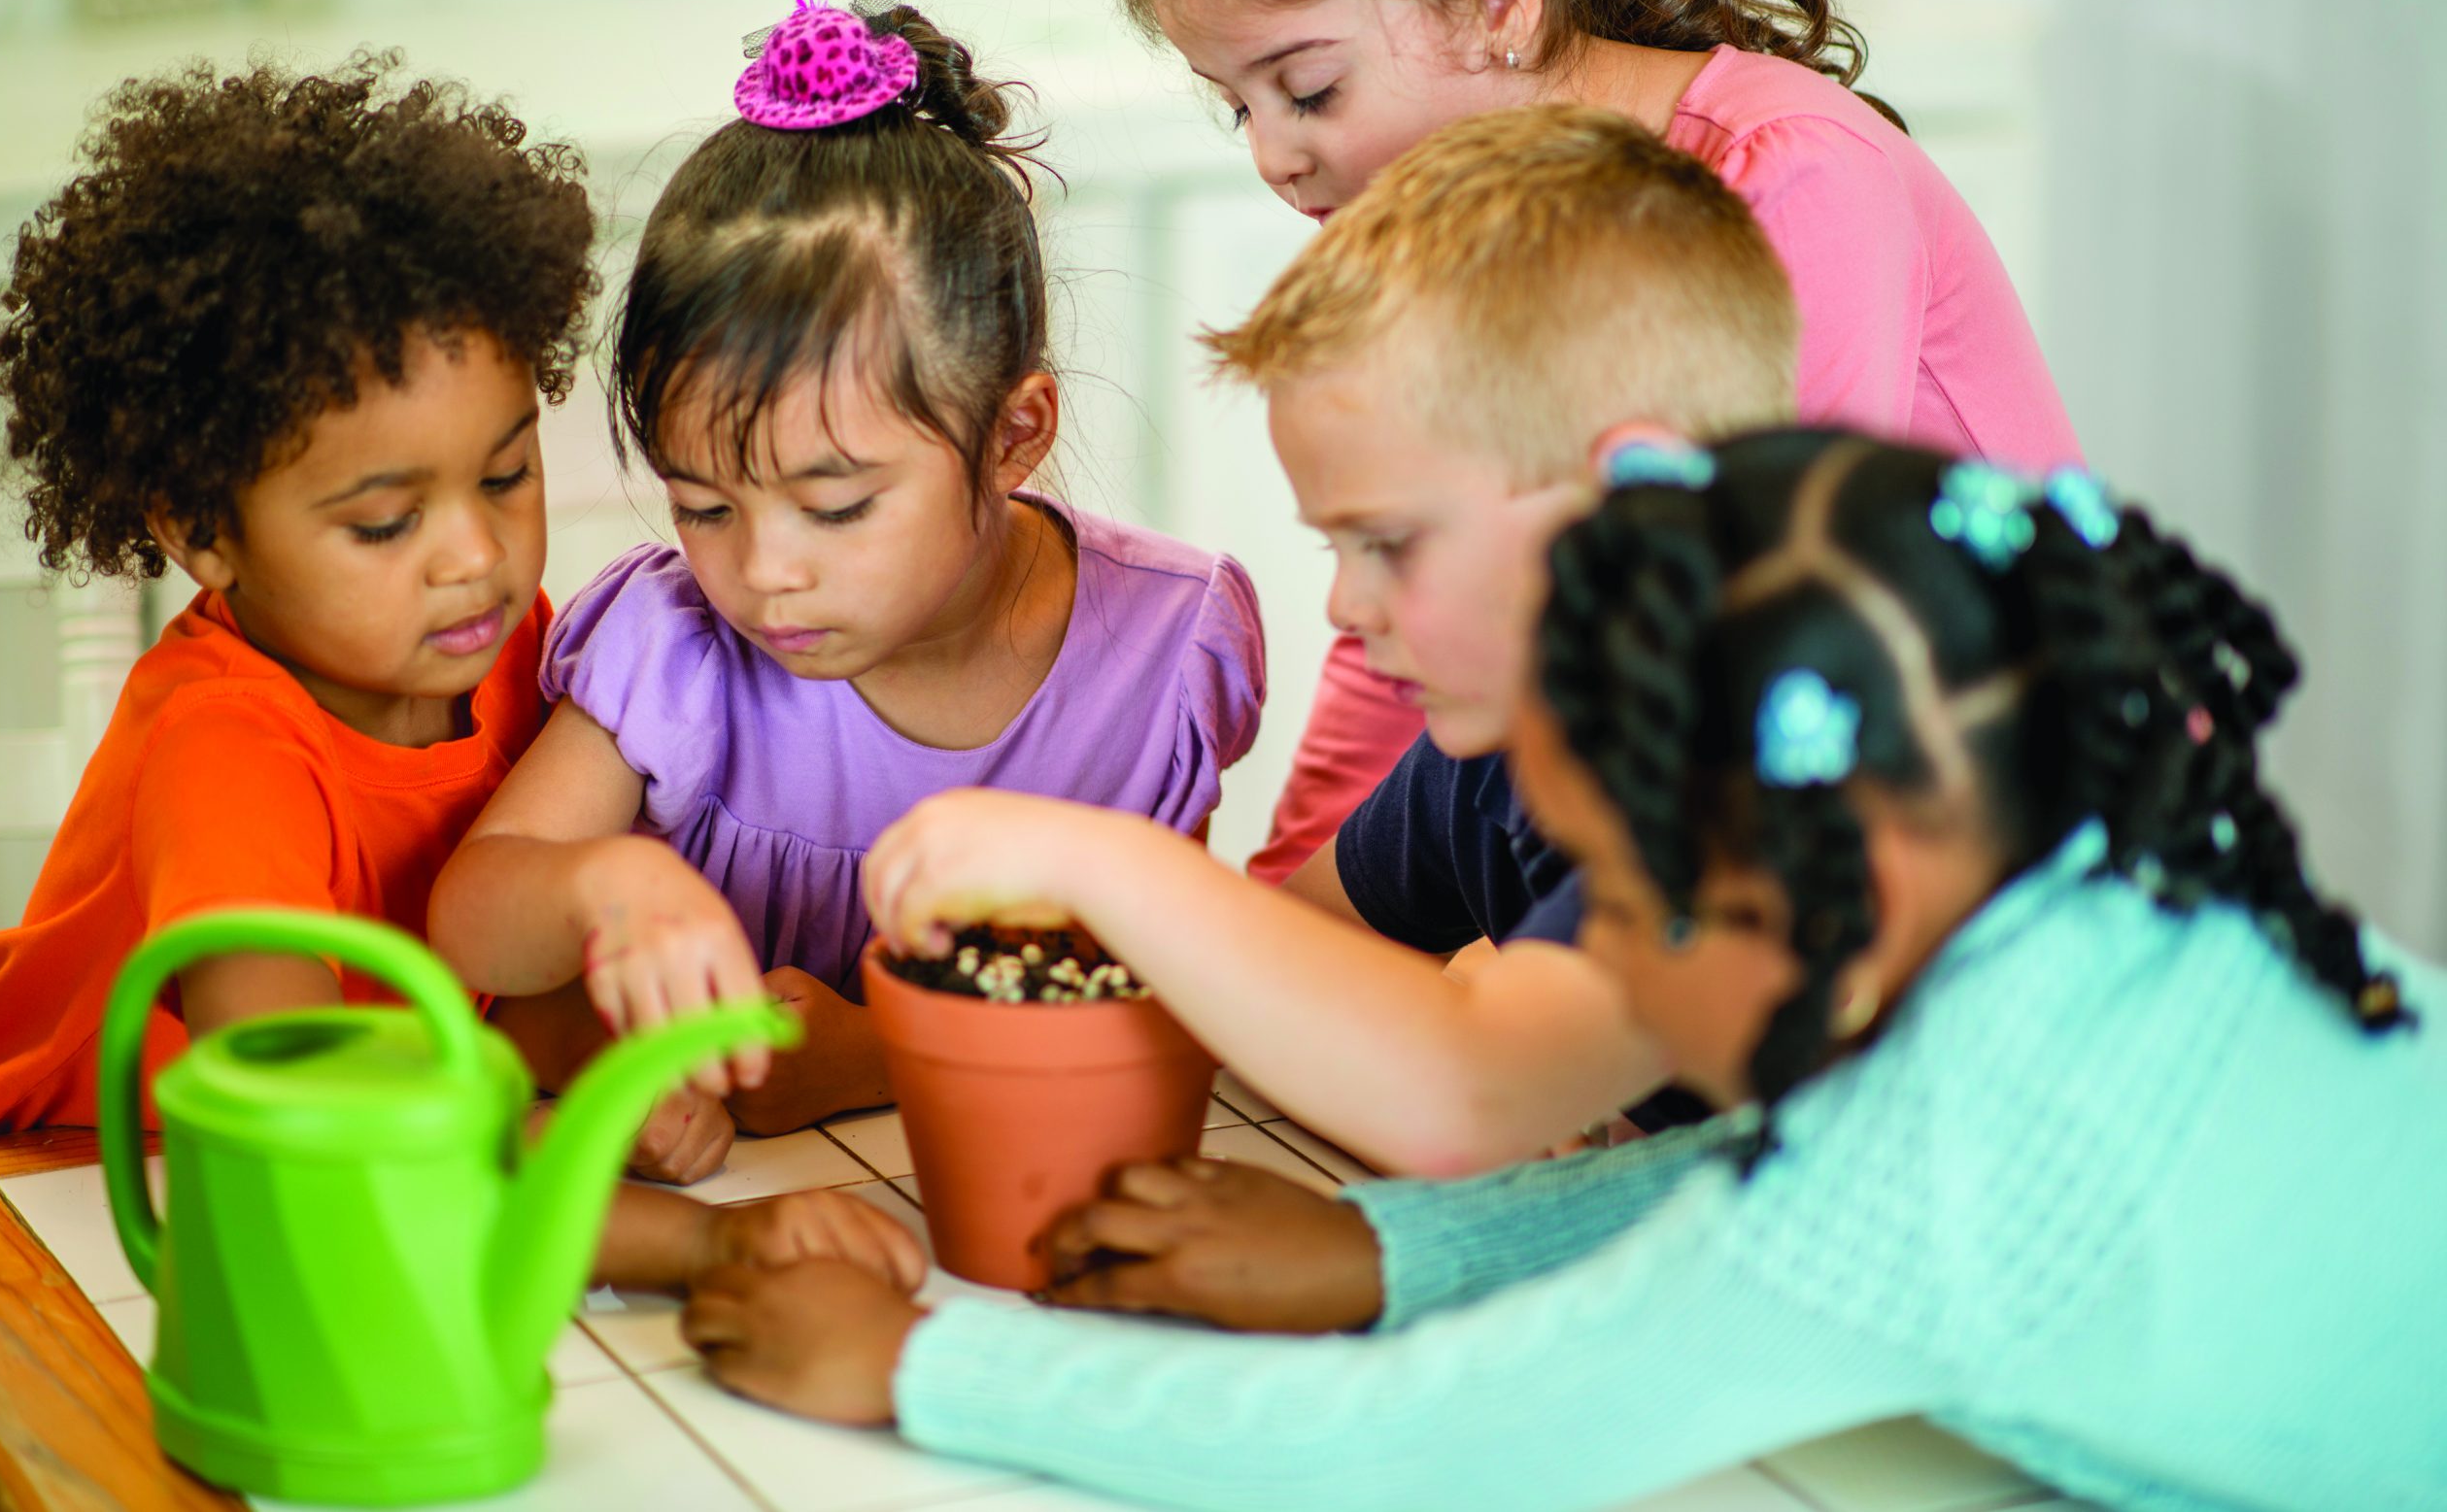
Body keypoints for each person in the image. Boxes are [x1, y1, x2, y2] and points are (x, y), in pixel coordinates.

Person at [684, 430, 2447, 1512]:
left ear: (1842, 879)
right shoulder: (2099, 895)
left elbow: (1431, 1450)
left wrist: (923, 1371)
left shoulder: (1955, 1160)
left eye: (1609, 889)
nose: (1583, 944)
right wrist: (1395, 1243)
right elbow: (1760, 1178)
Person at [0, 53, 916, 1290]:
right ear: (201, 530)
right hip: (65, 1187)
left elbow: (474, 968)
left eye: (506, 476)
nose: (474, 557)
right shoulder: (226, 748)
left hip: (381, 1101)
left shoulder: (510, 652)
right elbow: (309, 1108)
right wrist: (698, 1241)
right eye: (381, 524)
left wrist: (619, 1064)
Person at [1103, 0, 2085, 878]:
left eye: (1309, 90)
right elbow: (1417, 593)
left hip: (2009, 837)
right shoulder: (1444, 224)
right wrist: (1292, 902)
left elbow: (1762, 626)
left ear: (1496, 0)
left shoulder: (1800, 173)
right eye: (1238, 107)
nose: (1271, 156)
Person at [863, 103, 1795, 1173]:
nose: (1345, 606)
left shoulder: (1765, 756)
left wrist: (1101, 859)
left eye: (1391, 543)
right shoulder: (1489, 761)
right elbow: (1305, 956)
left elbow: (1467, 1089)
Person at [426, 0, 1266, 1141]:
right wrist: (596, 892)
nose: (766, 573)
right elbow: (472, 920)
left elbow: (1156, 998)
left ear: (1012, 434)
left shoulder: (1164, 656)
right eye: (704, 505)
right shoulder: (676, 648)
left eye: (837, 505)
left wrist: (871, 1056)